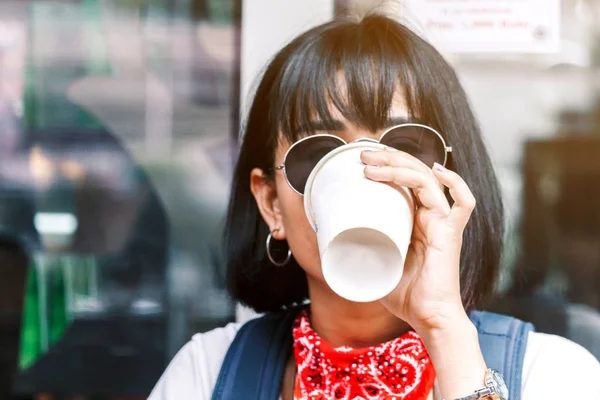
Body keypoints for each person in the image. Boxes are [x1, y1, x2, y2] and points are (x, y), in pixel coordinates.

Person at [149, 12, 600, 400]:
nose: (367, 174)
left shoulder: (552, 373)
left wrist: (444, 330)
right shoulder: (207, 374)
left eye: (403, 149)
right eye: (318, 153)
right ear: (271, 203)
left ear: (448, 186)